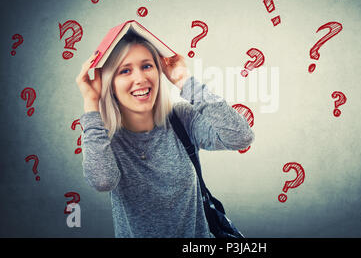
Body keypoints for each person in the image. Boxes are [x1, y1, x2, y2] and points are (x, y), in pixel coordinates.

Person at [76, 33, 254, 238]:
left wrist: (184, 81)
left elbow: (241, 137)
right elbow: (102, 181)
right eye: (125, 70)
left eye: (147, 66)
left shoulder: (181, 118)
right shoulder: (103, 138)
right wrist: (91, 102)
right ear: (110, 84)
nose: (140, 79)